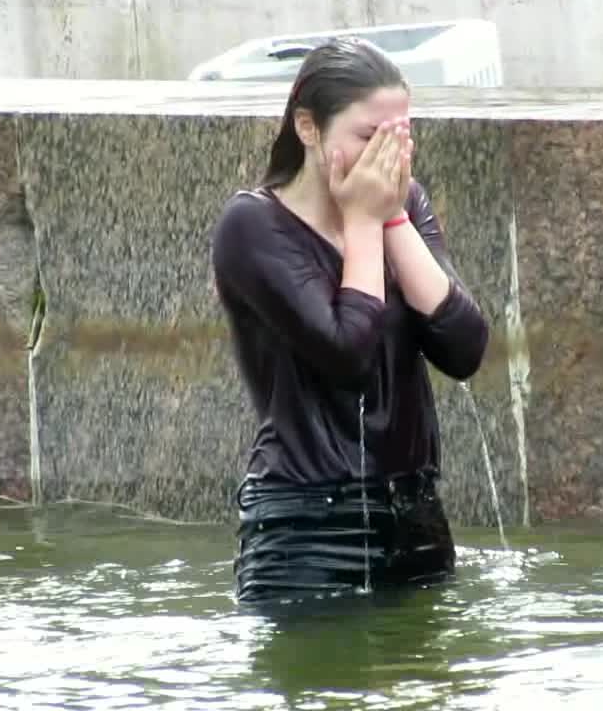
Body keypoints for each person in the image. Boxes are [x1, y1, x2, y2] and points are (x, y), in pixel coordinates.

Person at [209, 37, 490, 608]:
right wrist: (362, 221)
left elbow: (463, 349)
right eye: (369, 136)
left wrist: (391, 219)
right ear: (308, 128)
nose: (387, 155)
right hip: (308, 532)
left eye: (399, 136)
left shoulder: (404, 203)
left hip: (415, 519)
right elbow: (348, 356)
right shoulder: (253, 226)